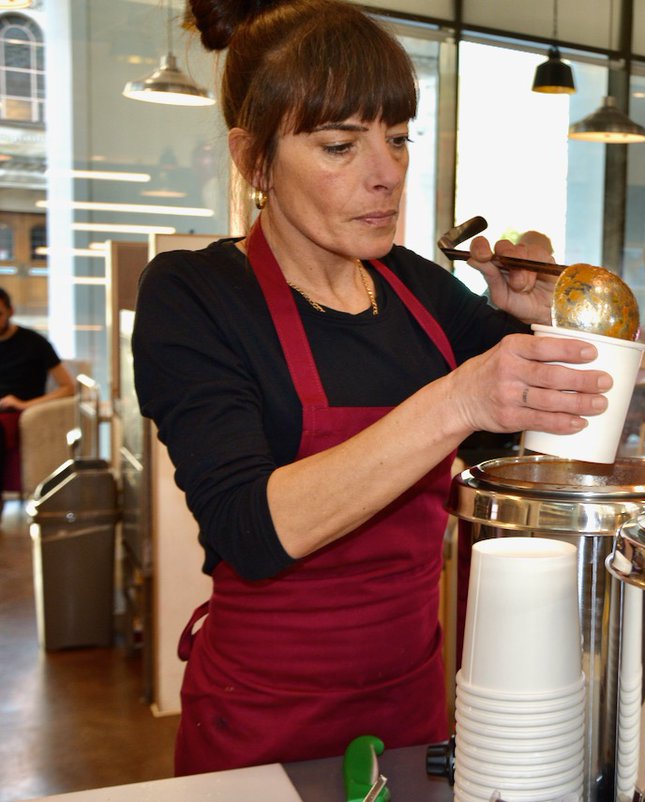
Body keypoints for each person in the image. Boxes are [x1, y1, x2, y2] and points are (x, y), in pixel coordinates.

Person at [133, 0, 611, 776]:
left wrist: (539, 319)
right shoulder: (195, 294)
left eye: (395, 138)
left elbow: (555, 421)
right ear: (252, 158)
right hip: (262, 728)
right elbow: (251, 528)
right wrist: (456, 399)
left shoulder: (416, 288)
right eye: (338, 145)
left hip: (413, 712)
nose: (385, 173)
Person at [0, 287, 76, 413]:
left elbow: (69, 387)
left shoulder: (35, 343)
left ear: (11, 311)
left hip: (18, 414)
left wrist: (25, 405)